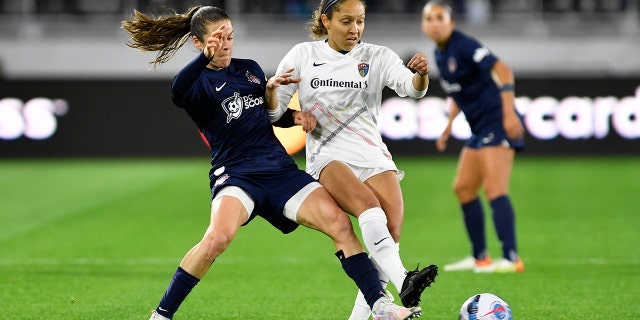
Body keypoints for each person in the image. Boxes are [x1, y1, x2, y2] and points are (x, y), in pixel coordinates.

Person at [121, 5, 423, 320]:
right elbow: (177, 91)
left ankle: (380, 306)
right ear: (199, 43)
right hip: (237, 175)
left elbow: (268, 116)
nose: (225, 44)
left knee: (340, 224)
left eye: (229, 37)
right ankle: (162, 314)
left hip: (280, 173)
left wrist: (293, 114)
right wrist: (203, 58)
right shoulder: (196, 83)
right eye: (217, 39)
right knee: (217, 238)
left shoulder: (248, 69)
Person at [272, 0, 439, 319]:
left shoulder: (377, 56)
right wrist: (295, 115)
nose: (355, 29)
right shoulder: (303, 55)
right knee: (369, 207)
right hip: (327, 155)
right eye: (347, 21)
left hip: (372, 154)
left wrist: (419, 76)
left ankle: (364, 315)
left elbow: (412, 90)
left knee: (389, 234)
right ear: (326, 21)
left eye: (360, 21)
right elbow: (273, 110)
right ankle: (404, 280)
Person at [421, 0, 525, 273]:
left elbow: (502, 70)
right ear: (424, 25)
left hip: (497, 122)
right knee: (464, 188)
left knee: (495, 189)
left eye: (440, 17)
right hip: (480, 128)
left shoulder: (464, 45)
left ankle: (512, 259)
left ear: (451, 23)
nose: (435, 23)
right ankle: (481, 257)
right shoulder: (440, 53)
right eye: (429, 18)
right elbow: (458, 93)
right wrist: (448, 125)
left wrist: (510, 114)